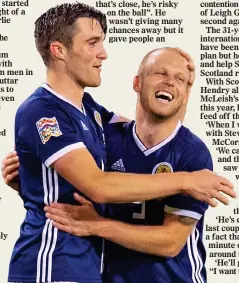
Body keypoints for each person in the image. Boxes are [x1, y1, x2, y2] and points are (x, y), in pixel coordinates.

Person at [1, 2, 235, 283]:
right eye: (92, 43)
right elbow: (97, 186)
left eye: (181, 80)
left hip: (94, 269)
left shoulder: (91, 113)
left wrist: (33, 179)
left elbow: (160, 123)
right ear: (59, 50)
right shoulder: (45, 111)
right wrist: (187, 180)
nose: (104, 53)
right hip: (52, 265)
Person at [43, 48, 229, 283]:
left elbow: (171, 242)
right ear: (137, 83)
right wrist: (30, 175)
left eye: (179, 79)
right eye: (160, 73)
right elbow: (77, 185)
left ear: (186, 93)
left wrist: (98, 226)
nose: (170, 82)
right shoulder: (106, 138)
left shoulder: (192, 153)